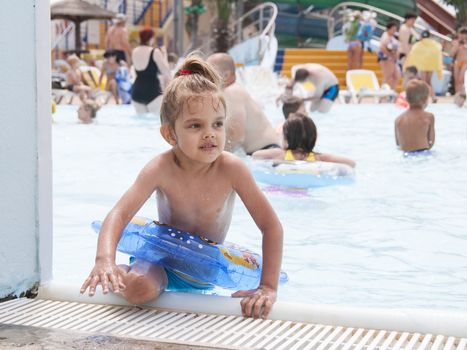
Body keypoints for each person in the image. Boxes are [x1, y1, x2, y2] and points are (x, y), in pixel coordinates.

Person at [80, 56, 284, 319]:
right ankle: (122, 272)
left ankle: (128, 274)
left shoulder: (233, 169)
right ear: (170, 134)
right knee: (140, 290)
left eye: (217, 124)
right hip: (160, 263)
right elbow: (119, 214)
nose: (209, 133)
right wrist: (103, 260)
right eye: (195, 125)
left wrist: (267, 287)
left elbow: (271, 226)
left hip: (203, 272)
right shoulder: (161, 168)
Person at [207, 53, 280, 154]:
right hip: (266, 151)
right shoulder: (234, 91)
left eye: (209, 72)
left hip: (266, 152)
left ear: (226, 75)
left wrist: (218, 155)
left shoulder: (232, 92)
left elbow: (236, 133)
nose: (205, 77)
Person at [252, 113, 356, 167]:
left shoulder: (280, 154)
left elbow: (256, 155)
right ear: (314, 137)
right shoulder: (319, 157)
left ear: (286, 138)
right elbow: (351, 163)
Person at [131, 27, 171, 115]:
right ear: (151, 38)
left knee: (141, 125)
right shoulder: (154, 52)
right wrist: (164, 55)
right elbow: (166, 71)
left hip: (137, 92)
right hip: (153, 91)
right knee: (156, 124)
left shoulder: (134, 51)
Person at [395, 80, 435, 152]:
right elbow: (431, 142)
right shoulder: (428, 117)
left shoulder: (398, 119)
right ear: (425, 99)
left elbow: (398, 144)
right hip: (423, 153)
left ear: (406, 99)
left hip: (406, 154)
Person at [404, 30, 442, 103]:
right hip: (431, 65)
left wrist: (407, 65)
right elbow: (438, 55)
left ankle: (428, 97)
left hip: (422, 66)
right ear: (430, 36)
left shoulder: (418, 45)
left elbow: (412, 55)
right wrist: (438, 69)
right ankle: (433, 96)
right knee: (428, 81)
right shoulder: (435, 45)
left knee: (424, 82)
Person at [378, 22, 401, 90]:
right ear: (388, 29)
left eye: (395, 30)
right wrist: (390, 54)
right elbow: (382, 47)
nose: (394, 31)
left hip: (392, 60)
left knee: (396, 76)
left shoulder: (392, 37)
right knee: (387, 77)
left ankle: (391, 90)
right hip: (386, 59)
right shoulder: (385, 36)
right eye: (393, 29)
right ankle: (383, 93)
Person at [450, 27, 467, 96]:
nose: (463, 35)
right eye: (461, 34)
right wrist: (456, 46)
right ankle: (457, 95)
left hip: (465, 62)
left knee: (461, 80)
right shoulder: (455, 42)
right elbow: (451, 54)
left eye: (464, 34)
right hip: (457, 62)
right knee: (456, 81)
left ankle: (463, 95)